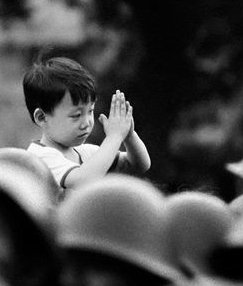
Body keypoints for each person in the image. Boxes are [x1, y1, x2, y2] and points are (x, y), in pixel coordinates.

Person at [22, 56, 151, 190]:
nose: (86, 123)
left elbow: (138, 165)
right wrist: (114, 137)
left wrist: (128, 135)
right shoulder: (40, 158)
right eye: (76, 115)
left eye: (90, 111)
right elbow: (83, 181)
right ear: (42, 117)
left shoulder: (87, 152)